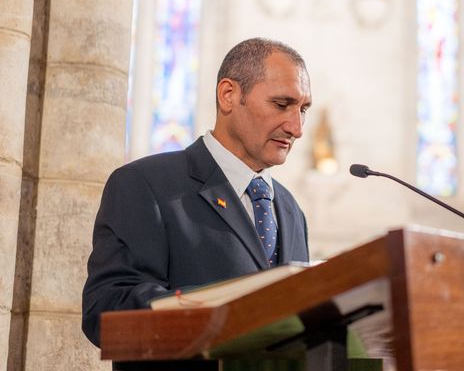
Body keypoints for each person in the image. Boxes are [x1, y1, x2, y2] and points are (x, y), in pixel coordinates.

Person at [82, 38, 312, 347]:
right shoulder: (145, 184)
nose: (296, 128)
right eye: (282, 105)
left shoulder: (290, 210)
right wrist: (216, 314)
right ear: (229, 95)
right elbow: (106, 310)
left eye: (304, 109)